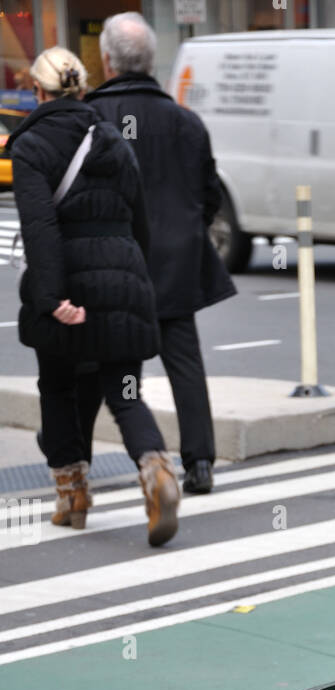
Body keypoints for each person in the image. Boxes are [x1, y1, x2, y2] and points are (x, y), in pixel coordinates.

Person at [8, 47, 180, 546]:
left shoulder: (31, 144)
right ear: (82, 91)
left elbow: (40, 227)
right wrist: (134, 280)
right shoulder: (112, 140)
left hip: (71, 285)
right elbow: (139, 221)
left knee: (58, 388)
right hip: (124, 278)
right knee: (125, 390)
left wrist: (53, 296)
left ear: (37, 93)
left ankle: (73, 497)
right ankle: (157, 471)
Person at [86, 12, 236, 495]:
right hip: (176, 262)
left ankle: (76, 463)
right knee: (184, 364)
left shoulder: (93, 118)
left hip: (116, 265)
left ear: (107, 60)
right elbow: (209, 194)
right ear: (150, 61)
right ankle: (200, 462)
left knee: (109, 367)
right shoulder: (186, 122)